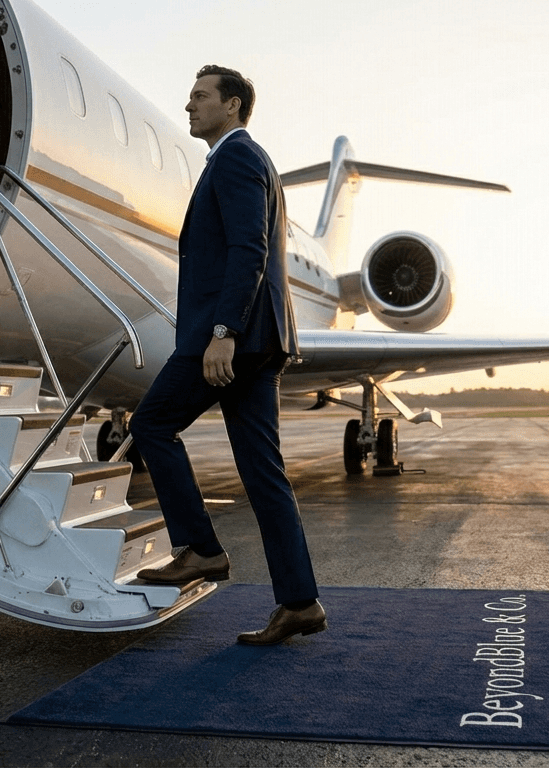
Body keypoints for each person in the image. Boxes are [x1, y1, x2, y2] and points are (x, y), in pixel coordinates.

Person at [130, 65, 324, 645]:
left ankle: (200, 550)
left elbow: (248, 249)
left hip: (232, 340)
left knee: (152, 424)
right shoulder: (245, 159)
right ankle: (299, 602)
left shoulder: (238, 157)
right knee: (265, 475)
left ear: (233, 105)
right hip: (259, 339)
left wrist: (222, 331)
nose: (188, 105)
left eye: (200, 96)